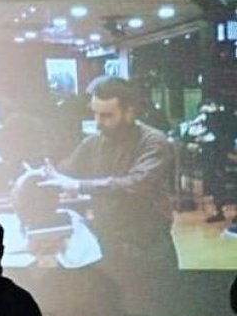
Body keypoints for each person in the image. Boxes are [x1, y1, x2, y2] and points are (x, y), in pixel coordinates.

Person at [36, 75, 175, 269]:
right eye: (95, 114)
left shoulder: (153, 142)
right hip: (106, 244)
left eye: (107, 115)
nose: (98, 122)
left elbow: (136, 184)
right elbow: (67, 171)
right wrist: (47, 173)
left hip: (148, 248)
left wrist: (78, 186)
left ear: (129, 112)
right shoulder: (94, 142)